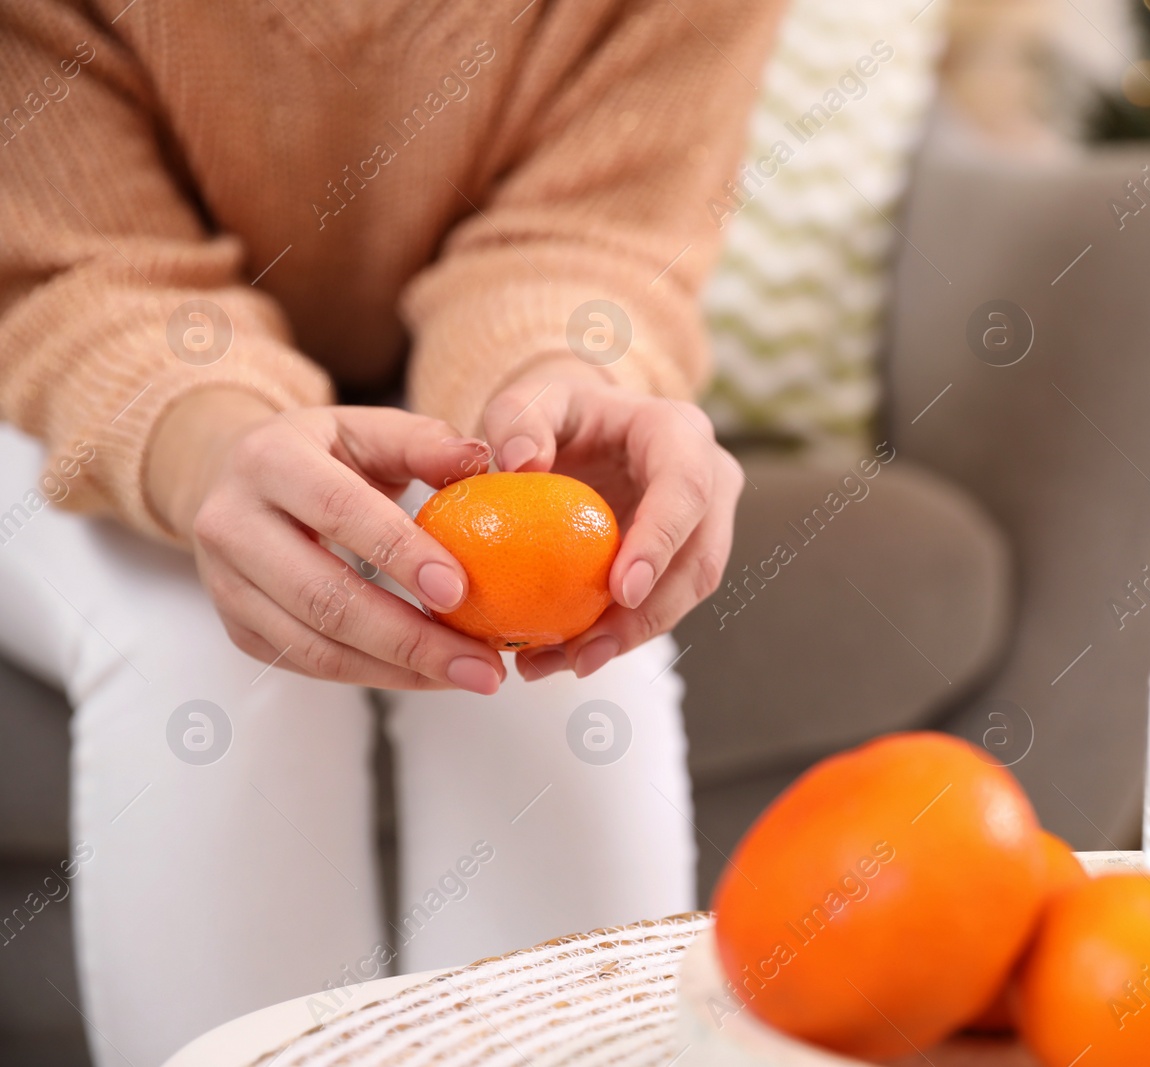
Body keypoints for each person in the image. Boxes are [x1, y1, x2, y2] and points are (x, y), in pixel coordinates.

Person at [0, 1, 783, 1062]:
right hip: (62, 383)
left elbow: (589, 233)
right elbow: (81, 270)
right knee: (219, 653)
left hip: (435, 408)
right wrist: (210, 447)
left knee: (564, 683)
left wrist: (552, 389)